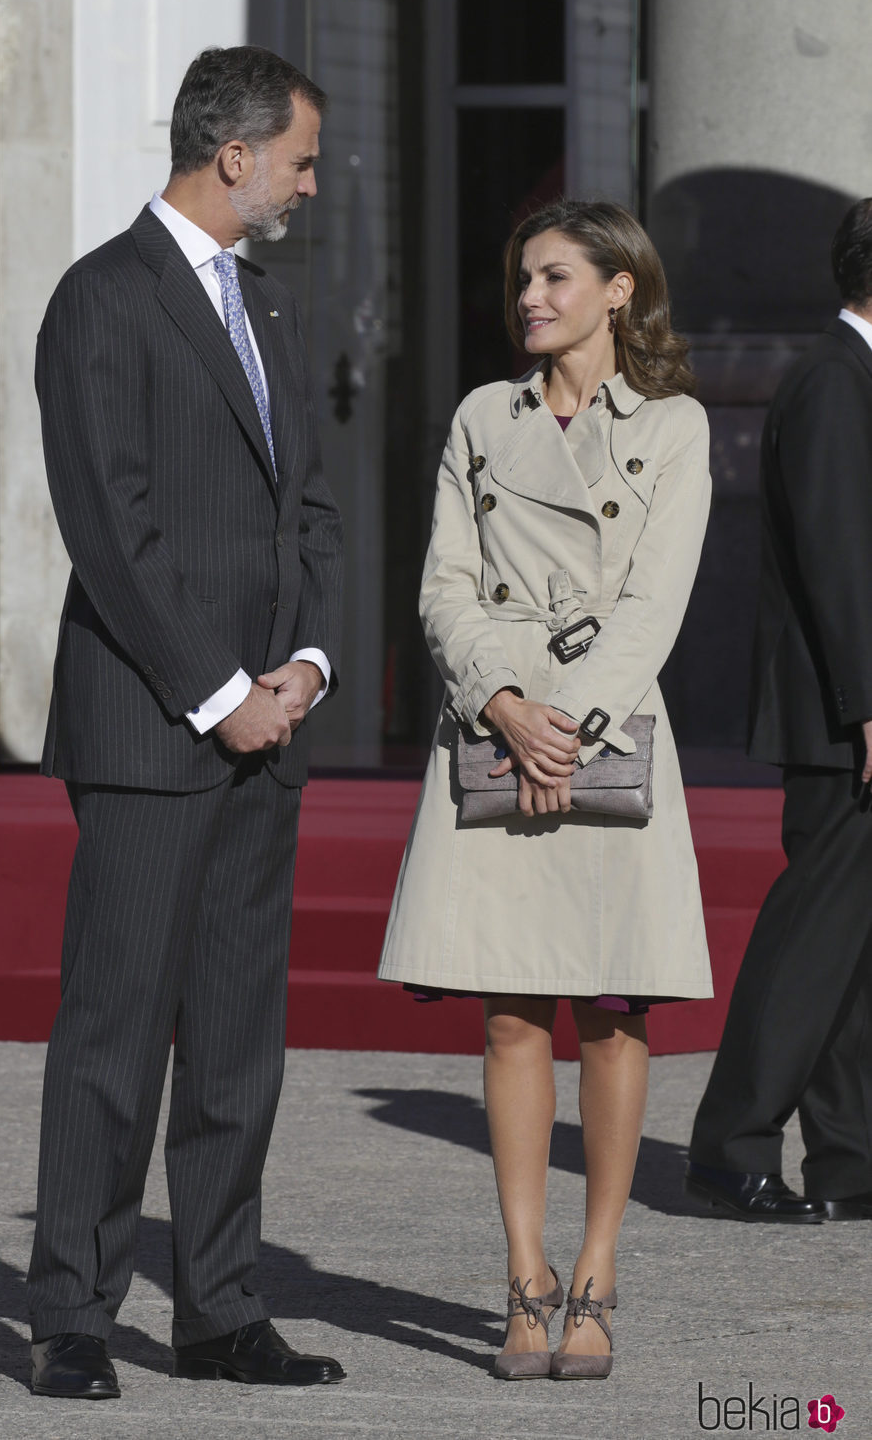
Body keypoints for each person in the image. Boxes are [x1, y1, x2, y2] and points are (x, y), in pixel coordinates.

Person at [26, 46, 345, 1399]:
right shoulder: (102, 298)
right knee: (114, 1037)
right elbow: (111, 527)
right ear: (235, 155)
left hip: (270, 736)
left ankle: (219, 1307)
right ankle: (72, 1318)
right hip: (160, 735)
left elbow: (312, 512)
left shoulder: (269, 307)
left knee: (234, 1042)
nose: (312, 184)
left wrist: (311, 670)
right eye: (304, 159)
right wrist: (223, 695)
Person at [378, 200, 713, 1380]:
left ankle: (596, 1274)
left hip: (603, 730)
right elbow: (441, 586)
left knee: (612, 1015)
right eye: (522, 278)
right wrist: (503, 705)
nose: (529, 297)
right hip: (496, 723)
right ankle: (523, 1281)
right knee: (510, 1013)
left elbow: (655, 604)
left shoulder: (672, 425)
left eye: (556, 277)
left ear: (619, 289)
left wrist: (564, 726)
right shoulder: (483, 417)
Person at [686, 198, 872, 1225]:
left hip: (847, 710)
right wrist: (867, 704)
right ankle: (728, 1143)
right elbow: (842, 562)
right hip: (842, 722)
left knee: (851, 948)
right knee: (811, 938)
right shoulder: (834, 382)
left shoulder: (850, 377)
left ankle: (847, 1161)